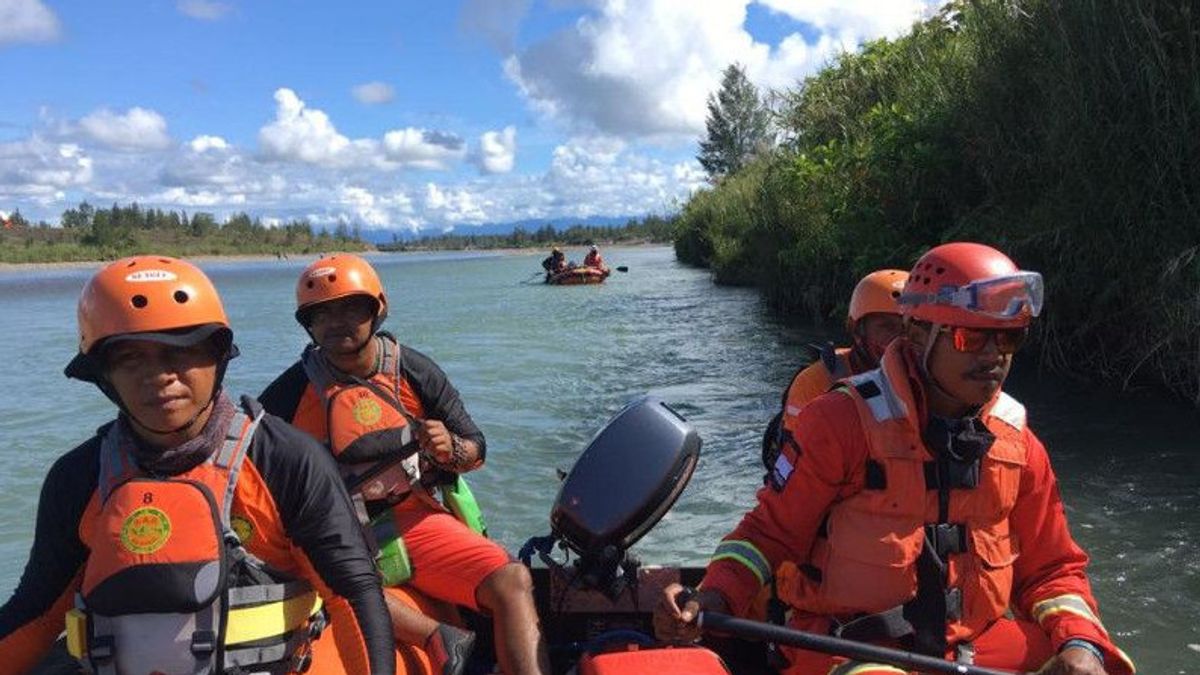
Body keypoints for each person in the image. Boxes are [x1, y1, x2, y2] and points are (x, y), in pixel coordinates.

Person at [655, 242, 1136, 675]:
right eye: (972, 338)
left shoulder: (1018, 441)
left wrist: (1080, 645)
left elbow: (1053, 570)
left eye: (1008, 338)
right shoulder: (838, 422)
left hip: (972, 648)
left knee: (1100, 665)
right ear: (919, 333)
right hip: (850, 649)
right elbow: (765, 534)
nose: (995, 356)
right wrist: (711, 596)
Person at [0, 256, 395, 675]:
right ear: (103, 374)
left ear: (217, 357)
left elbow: (352, 594)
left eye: (183, 351)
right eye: (131, 358)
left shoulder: (286, 460)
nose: (160, 376)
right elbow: (38, 613)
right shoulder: (78, 478)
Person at [259, 253, 550, 675]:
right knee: (333, 583)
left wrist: (450, 448)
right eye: (322, 314)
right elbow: (249, 472)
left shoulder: (412, 371)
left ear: (378, 309)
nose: (337, 322)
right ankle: (436, 634)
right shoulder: (287, 394)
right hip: (329, 533)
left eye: (350, 308)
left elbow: (477, 449)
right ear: (308, 324)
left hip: (411, 518)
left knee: (513, 580)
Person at [762, 269, 908, 480]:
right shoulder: (815, 383)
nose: (900, 340)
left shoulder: (930, 380)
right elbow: (796, 470)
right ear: (856, 330)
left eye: (908, 327)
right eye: (886, 327)